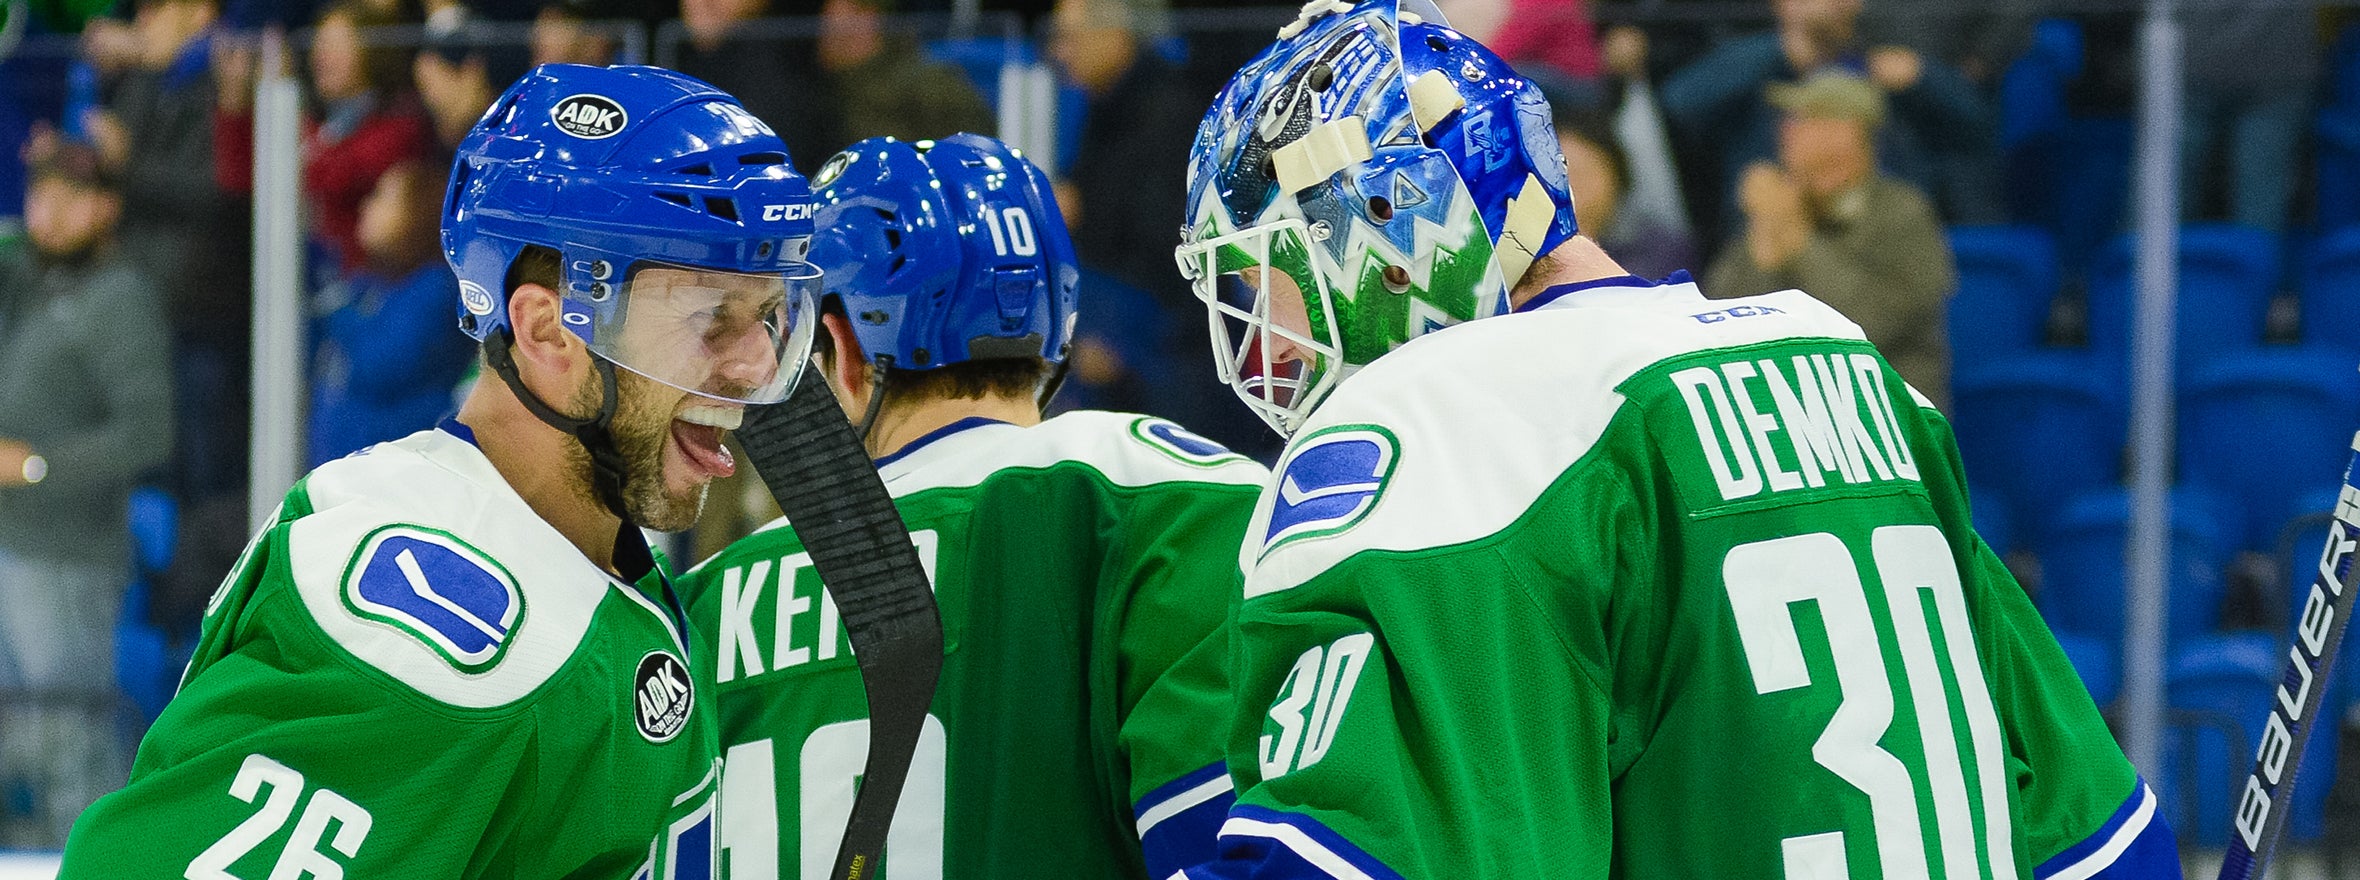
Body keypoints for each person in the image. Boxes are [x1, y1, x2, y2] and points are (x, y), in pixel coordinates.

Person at [1170, 2, 2179, 877]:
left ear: (1391, 228)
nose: (1267, 340)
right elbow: (2098, 838)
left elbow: (1366, 852)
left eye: (1269, 278)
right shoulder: (1847, 364)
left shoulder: (1446, 425)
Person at [59, 63, 826, 878]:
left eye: (772, 316)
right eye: (714, 318)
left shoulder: (577, 556)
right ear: (548, 331)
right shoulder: (436, 641)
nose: (755, 366)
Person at [683, 133, 1267, 880]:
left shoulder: (705, 596)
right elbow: (1230, 850)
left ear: (842, 344)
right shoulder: (1154, 496)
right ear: (1054, 326)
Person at [0, 138, 173, 847]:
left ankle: (98, 860)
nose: (49, 213)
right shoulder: (34, 286)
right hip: (15, 544)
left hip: (67, 556)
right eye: (40, 195)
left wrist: (37, 465)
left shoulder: (119, 298)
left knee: (70, 736)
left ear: (106, 209)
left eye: (69, 199)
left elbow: (148, 433)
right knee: (24, 732)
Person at [1705, 71, 1954, 409]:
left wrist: (1798, 240)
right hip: (1790, 410)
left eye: (1809, 123)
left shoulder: (1902, 214)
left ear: (1853, 138)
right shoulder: (1784, 206)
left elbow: (1863, 324)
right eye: (1792, 125)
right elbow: (1719, 322)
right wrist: (1764, 231)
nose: (1790, 136)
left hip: (1889, 413)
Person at [1658, 0, 1998, 232]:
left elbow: (1980, 130)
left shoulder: (1885, 64)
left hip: (1878, 233)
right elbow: (1678, 103)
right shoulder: (1751, 68)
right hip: (1774, 227)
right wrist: (1783, 51)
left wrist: (1924, 79)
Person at [308, 158, 476, 466]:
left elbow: (377, 365)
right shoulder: (370, 285)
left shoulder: (436, 290)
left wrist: (338, 313)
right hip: (342, 465)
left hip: (394, 471)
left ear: (420, 214)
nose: (365, 207)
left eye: (381, 197)